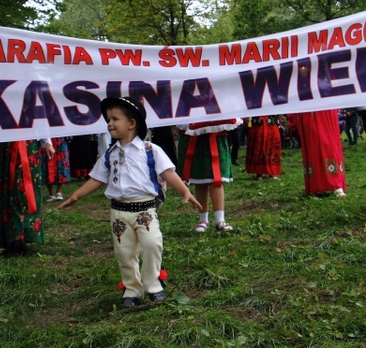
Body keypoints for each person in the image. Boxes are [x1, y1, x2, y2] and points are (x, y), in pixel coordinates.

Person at [59, 97, 201, 307]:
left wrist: (185, 192)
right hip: (118, 212)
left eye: (115, 119)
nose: (109, 123)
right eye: (108, 119)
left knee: (152, 244)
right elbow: (97, 178)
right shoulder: (110, 154)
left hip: (145, 210)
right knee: (124, 252)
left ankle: (153, 284)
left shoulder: (151, 150)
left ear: (132, 123)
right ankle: (132, 289)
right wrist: (75, 196)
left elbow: (168, 173)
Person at [0, 139, 54, 255]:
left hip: (25, 146)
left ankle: (20, 236)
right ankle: (7, 237)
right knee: (1, 188)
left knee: (22, 191)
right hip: (0, 147)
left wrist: (47, 141)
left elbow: (40, 120)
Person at [177, 119, 241, 233]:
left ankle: (220, 220)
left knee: (216, 180)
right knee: (200, 180)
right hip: (195, 136)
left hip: (215, 134)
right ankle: (203, 220)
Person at [287, 110, 346, 197]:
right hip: (308, 110)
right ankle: (316, 185)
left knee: (328, 143)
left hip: (325, 108)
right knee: (313, 144)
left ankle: (336, 183)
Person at [43, 137, 70, 202]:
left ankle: (59, 191)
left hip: (59, 140)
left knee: (61, 164)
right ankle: (51, 193)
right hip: (46, 140)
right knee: (45, 165)